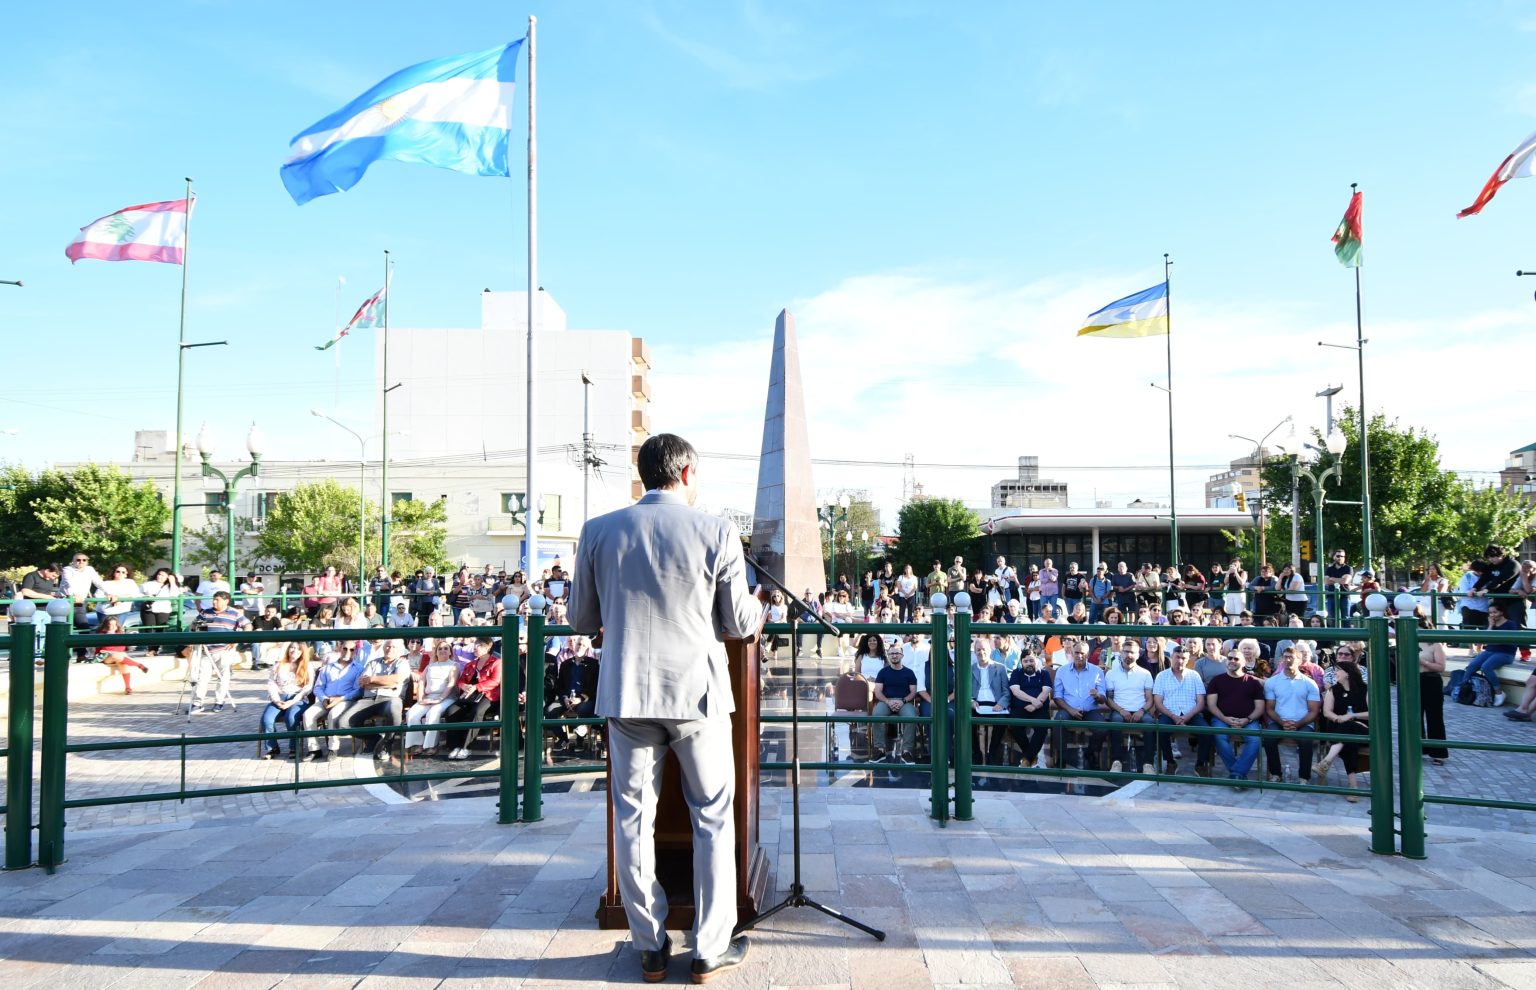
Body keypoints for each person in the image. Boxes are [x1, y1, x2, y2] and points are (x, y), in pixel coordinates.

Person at [565, 433, 759, 982]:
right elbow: (739, 624)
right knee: (713, 818)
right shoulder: (717, 530)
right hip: (696, 695)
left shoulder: (599, 530)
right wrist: (758, 612)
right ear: (688, 473)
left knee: (632, 819)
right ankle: (709, 947)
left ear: (643, 474)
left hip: (626, 693)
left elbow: (581, 621)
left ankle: (649, 946)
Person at [1204, 648, 1266, 782]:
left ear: (1244, 663)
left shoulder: (1253, 682)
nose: (1232, 661)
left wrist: (1247, 719)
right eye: (1230, 658)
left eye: (1236, 659)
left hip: (1249, 720)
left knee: (1255, 740)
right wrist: (1224, 718)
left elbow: (1260, 708)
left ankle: (1236, 773)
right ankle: (1238, 773)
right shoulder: (1217, 681)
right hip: (1222, 718)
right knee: (1219, 737)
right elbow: (1211, 705)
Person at [1313, 658, 1369, 801]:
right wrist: (1339, 719)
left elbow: (1372, 713)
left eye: (1338, 670)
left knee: (1349, 728)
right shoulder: (1334, 690)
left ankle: (1326, 762)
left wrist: (1351, 716)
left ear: (1348, 673)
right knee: (1348, 739)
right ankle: (1353, 787)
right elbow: (1327, 712)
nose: (1335, 673)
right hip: (1338, 727)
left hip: (1362, 728)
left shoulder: (1365, 689)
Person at [1263, 647, 1322, 782]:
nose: (1288, 660)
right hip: (1279, 721)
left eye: (1291, 657)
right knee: (1268, 738)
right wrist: (1282, 723)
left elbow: (1314, 710)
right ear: (1281, 659)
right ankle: (1276, 774)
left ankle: (1303, 777)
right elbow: (1270, 709)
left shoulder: (1310, 683)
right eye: (1285, 657)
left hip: (1304, 722)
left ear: (1300, 661)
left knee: (1306, 740)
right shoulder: (1272, 682)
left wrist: (1298, 724)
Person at [1448, 602, 1521, 706]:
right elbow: (1486, 639)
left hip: (1505, 653)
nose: (1492, 615)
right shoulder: (1489, 624)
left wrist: (1494, 639)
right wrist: (1491, 626)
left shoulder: (1510, 624)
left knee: (1486, 667)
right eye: (1490, 613)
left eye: (1495, 612)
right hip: (1490, 651)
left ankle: (1499, 693)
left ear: (1502, 612)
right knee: (1471, 666)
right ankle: (1461, 688)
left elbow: (1504, 641)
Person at [1152, 647, 1210, 774]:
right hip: (1169, 713)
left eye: (1183, 658)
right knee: (1160, 731)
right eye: (1177, 657)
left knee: (1207, 732)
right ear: (1172, 658)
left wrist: (1188, 716)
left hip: (1192, 713)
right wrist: (1173, 716)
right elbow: (1158, 702)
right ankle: (1170, 762)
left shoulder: (1194, 675)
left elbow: (1200, 702)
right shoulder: (1161, 676)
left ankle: (1200, 764)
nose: (1180, 661)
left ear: (1188, 659)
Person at [191, 591, 250, 714]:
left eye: (217, 599)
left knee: (223, 677)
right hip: (206, 650)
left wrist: (238, 639)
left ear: (226, 601)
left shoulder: (235, 613)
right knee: (202, 677)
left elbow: (248, 626)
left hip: (225, 649)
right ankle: (197, 703)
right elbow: (194, 625)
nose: (214, 602)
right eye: (214, 599)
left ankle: (219, 701)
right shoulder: (205, 612)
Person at [1104, 646, 1155, 775]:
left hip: (1141, 710)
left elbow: (1150, 699)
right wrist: (1121, 710)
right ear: (1121, 653)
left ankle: (1148, 764)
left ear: (1138, 655)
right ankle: (1116, 762)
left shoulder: (1145, 673)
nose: (1129, 655)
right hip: (1119, 709)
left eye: (1132, 652)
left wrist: (1142, 711)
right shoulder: (1111, 673)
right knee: (1115, 721)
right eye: (1126, 651)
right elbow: (1109, 699)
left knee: (1150, 723)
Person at [259, 643, 313, 759]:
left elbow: (308, 687)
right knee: (266, 719)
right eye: (292, 647)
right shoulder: (279, 665)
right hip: (280, 697)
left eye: (298, 649)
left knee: (291, 717)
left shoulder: (307, 666)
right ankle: (272, 747)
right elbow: (271, 683)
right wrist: (277, 700)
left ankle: (294, 747)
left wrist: (292, 701)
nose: (294, 651)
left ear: (303, 652)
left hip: (298, 698)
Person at [872, 642, 919, 763]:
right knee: (877, 715)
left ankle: (906, 751)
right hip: (886, 701)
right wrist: (888, 701)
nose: (894, 656)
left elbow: (913, 692)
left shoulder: (909, 673)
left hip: (904, 702)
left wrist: (903, 701)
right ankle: (880, 749)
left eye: (897, 653)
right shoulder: (883, 672)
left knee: (911, 717)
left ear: (902, 655)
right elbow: (878, 691)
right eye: (891, 653)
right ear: (888, 655)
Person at [1006, 649, 1052, 768]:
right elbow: (1016, 691)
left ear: (1036, 660)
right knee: (1015, 725)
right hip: (1021, 708)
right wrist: (1033, 701)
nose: (1029, 663)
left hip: (1039, 709)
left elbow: (1046, 691)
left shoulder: (1044, 674)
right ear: (1022, 662)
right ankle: (1031, 756)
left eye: (1031, 660)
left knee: (1042, 726)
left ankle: (1026, 759)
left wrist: (1036, 704)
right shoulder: (1017, 673)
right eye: (1025, 661)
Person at [91, 615, 149, 693]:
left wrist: (112, 651)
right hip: (105, 657)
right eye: (110, 624)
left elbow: (122, 648)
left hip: (118, 655)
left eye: (114, 625)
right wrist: (112, 651)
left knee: (123, 663)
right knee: (116, 655)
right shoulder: (101, 634)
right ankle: (139, 665)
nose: (112, 627)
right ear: (106, 625)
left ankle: (128, 688)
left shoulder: (120, 633)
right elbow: (104, 649)